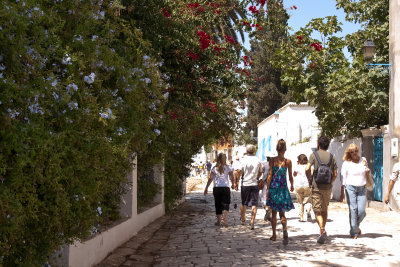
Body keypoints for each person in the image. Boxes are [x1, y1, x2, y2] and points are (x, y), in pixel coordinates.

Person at [305, 136, 337, 244]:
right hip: (327, 188)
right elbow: (335, 173)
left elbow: (307, 168)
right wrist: (331, 182)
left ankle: (322, 229)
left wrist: (309, 179)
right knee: (324, 209)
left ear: (318, 144)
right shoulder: (332, 157)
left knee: (316, 210)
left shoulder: (314, 155)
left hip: (316, 186)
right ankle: (321, 231)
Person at [266, 139, 294, 244]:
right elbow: (290, 176)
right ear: (285, 149)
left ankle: (274, 235)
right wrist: (292, 185)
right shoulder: (288, 162)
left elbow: (269, 175)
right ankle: (285, 230)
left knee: (274, 213)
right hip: (283, 189)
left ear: (277, 149)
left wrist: (268, 189)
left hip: (274, 188)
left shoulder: (272, 161)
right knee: (282, 213)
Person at [340, 143, 371, 239]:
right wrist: (342, 192)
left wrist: (368, 171)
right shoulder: (346, 163)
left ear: (358, 151)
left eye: (356, 151)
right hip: (350, 188)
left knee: (362, 211)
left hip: (362, 187)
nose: (354, 153)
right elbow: (343, 178)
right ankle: (354, 232)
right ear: (349, 153)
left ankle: (355, 227)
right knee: (353, 209)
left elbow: (367, 171)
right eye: (352, 152)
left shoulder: (363, 160)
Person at [204, 153, 235, 227]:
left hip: (217, 188)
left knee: (218, 204)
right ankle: (223, 219)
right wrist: (233, 184)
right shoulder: (228, 167)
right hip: (225, 188)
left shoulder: (214, 168)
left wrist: (206, 188)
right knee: (226, 204)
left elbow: (210, 178)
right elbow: (232, 177)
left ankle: (218, 221)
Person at [240, 144, 263, 230]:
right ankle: (252, 222)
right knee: (254, 203)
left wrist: (236, 180)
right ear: (254, 151)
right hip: (254, 183)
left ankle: (243, 219)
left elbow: (239, 171)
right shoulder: (258, 160)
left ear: (246, 151)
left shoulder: (243, 160)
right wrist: (256, 177)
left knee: (243, 203)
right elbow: (261, 171)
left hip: (245, 184)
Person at [293, 154, 312, 222]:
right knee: (307, 200)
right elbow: (311, 174)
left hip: (298, 186)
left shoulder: (297, 167)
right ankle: (308, 211)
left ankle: (301, 217)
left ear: (299, 160)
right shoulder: (309, 167)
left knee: (300, 202)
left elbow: (294, 174)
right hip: (307, 185)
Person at [260, 156, 272, 222]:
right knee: (271, 198)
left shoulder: (264, 164)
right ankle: (270, 211)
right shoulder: (276, 164)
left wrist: (261, 180)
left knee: (264, 197)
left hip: (266, 182)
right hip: (274, 184)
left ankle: (267, 210)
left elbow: (263, 173)